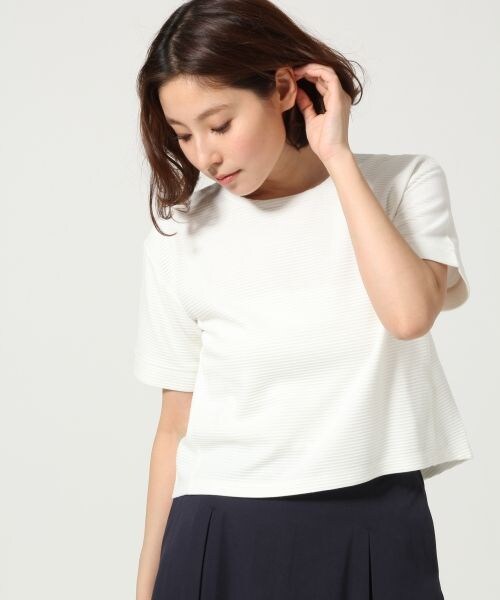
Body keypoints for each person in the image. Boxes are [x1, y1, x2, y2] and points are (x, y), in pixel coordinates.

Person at [133, 1, 473, 598]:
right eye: (183, 135)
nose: (204, 155)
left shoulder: (402, 184)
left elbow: (408, 315)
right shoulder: (181, 235)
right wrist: (146, 587)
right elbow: (174, 427)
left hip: (370, 519)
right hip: (216, 526)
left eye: (220, 124)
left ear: (285, 89)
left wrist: (337, 158)